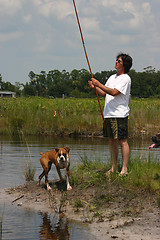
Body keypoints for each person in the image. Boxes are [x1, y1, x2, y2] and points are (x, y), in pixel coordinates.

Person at [88, 53, 133, 176]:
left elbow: (114, 92)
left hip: (119, 114)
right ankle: (113, 167)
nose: (116, 62)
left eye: (119, 61)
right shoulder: (112, 77)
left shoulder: (125, 78)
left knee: (122, 141)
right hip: (108, 114)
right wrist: (94, 87)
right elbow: (103, 93)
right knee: (112, 140)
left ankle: (124, 169)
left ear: (124, 64)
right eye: (116, 60)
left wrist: (98, 83)